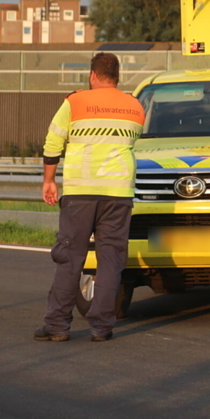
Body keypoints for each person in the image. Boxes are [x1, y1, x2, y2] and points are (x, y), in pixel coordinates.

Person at [34, 52, 145, 342]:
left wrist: (49, 180)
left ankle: (57, 325)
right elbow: (131, 142)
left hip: (81, 192)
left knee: (70, 258)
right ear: (117, 76)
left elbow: (53, 143)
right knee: (110, 260)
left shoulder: (75, 102)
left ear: (93, 75)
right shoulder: (135, 106)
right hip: (118, 193)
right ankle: (102, 327)